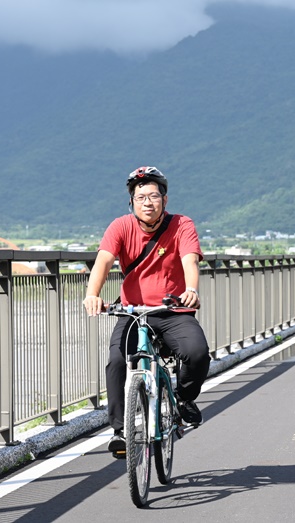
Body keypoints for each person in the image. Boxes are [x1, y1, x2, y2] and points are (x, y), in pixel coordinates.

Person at [83, 166, 210, 458]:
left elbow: (190, 260)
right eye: (140, 197)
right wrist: (92, 295)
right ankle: (119, 432)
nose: (147, 202)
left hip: (172, 310)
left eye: (154, 196)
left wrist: (191, 290)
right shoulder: (120, 226)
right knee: (116, 361)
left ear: (165, 200)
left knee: (197, 352)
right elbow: (103, 261)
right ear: (132, 202)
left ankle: (184, 397)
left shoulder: (181, 225)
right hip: (132, 311)